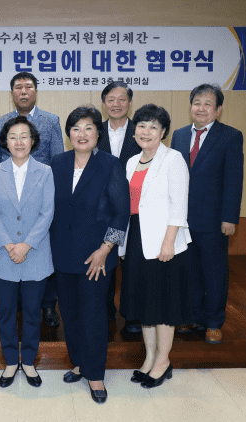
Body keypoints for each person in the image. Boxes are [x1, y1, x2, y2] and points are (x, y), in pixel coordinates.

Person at [50, 106, 130, 403]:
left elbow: (121, 213)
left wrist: (105, 249)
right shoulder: (58, 163)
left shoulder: (110, 164)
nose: (81, 134)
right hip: (62, 253)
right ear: (68, 134)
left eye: (88, 128)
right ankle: (80, 363)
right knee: (69, 313)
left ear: (98, 133)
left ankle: (95, 375)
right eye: (75, 128)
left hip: (96, 256)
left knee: (93, 315)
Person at [118, 104, 192, 389]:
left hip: (164, 243)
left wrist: (169, 242)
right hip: (137, 238)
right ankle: (149, 358)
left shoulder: (173, 159)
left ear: (163, 132)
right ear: (134, 130)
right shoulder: (131, 162)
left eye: (153, 127)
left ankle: (163, 361)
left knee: (163, 305)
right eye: (141, 126)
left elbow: (179, 205)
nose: (146, 131)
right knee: (145, 304)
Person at [171, 84, 244, 344]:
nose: (201, 108)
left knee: (214, 272)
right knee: (188, 271)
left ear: (218, 109)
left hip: (214, 220)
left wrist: (229, 217)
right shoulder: (179, 135)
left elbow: (234, 179)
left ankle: (213, 322)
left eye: (207, 104)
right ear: (190, 106)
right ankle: (190, 316)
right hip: (182, 220)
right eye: (197, 103)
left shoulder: (230, 136)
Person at [0, 71, 64, 327]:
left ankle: (48, 305)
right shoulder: (2, 121)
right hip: (9, 199)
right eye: (18, 87)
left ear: (36, 91)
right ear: (12, 93)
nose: (23, 91)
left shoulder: (51, 120)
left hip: (40, 197)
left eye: (28, 87)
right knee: (11, 254)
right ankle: (17, 303)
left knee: (42, 251)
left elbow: (58, 159)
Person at [0, 116, 55, 388]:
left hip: (35, 254)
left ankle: (28, 361)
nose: (18, 141)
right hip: (4, 255)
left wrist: (26, 245)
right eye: (12, 136)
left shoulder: (45, 172)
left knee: (32, 312)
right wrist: (8, 244)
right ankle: (10, 362)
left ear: (33, 141)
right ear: (5, 142)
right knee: (6, 312)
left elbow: (47, 212)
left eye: (24, 136)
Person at [98, 81, 142, 331]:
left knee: (132, 264)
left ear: (130, 102)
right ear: (104, 103)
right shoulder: (94, 131)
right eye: (111, 99)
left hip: (136, 209)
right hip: (103, 211)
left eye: (122, 99)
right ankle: (105, 311)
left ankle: (132, 315)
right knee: (106, 259)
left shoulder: (141, 130)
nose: (116, 104)